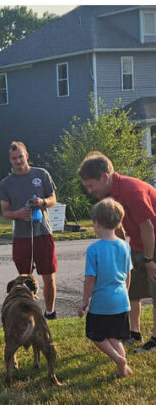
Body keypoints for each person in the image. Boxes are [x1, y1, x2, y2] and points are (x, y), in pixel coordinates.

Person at [78, 151, 156, 352]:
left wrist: (148, 259)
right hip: (137, 245)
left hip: (152, 243)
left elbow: (148, 228)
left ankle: (155, 339)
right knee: (132, 291)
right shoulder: (107, 195)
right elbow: (118, 228)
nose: (89, 191)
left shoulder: (132, 190)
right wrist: (120, 250)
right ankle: (134, 333)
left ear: (104, 177)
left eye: (90, 185)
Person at [0, 141, 59, 319]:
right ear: (10, 160)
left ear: (27, 156)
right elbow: (5, 212)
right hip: (21, 236)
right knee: (25, 279)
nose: (18, 161)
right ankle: (31, 314)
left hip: (43, 232)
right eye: (14, 158)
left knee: (48, 275)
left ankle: (50, 312)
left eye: (20, 157)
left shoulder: (41, 174)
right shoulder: (6, 183)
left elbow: (53, 198)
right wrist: (18, 213)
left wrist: (43, 202)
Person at [76, 199, 133, 378]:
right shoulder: (125, 246)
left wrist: (85, 302)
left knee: (96, 335)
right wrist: (126, 293)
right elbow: (128, 273)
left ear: (97, 223)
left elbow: (90, 278)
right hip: (122, 299)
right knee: (113, 336)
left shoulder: (94, 249)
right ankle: (122, 370)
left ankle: (119, 360)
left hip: (102, 302)